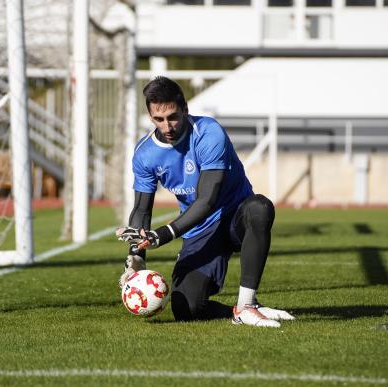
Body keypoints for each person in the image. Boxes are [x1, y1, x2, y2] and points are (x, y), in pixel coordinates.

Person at [116, 76, 294, 327]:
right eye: (159, 119)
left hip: (234, 217)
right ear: (150, 117)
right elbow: (141, 209)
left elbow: (207, 200)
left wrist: (164, 234)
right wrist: (137, 256)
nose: (167, 126)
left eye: (173, 117)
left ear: (186, 110)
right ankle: (237, 313)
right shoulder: (145, 153)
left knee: (260, 208)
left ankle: (248, 304)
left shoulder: (209, 132)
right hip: (200, 229)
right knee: (185, 307)